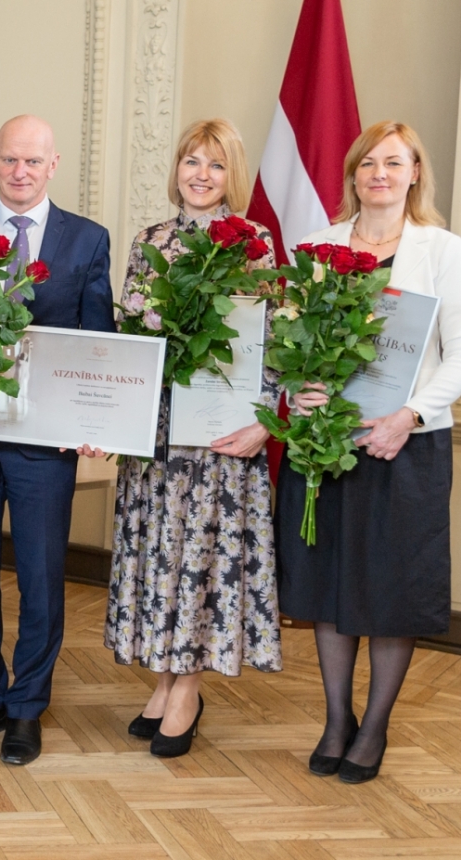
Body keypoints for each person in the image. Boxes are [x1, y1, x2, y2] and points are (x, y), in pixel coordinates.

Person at [282, 121, 461, 784]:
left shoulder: (443, 250)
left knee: (393, 589)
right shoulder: (316, 248)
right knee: (330, 584)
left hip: (407, 446)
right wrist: (299, 390)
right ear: (353, 174)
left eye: (394, 163)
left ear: (415, 172)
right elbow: (287, 349)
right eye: (369, 163)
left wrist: (410, 414)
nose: (380, 174)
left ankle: (374, 728)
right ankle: (337, 718)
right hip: (328, 443)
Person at [104, 119, 282, 758]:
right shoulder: (150, 240)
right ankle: (165, 678)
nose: (201, 175)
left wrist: (267, 421)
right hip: (157, 432)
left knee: (204, 557)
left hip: (220, 435)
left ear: (231, 174)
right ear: (176, 168)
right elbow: (130, 337)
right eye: (191, 162)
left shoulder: (254, 242)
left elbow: (274, 347)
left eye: (214, 164)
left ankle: (188, 687)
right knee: (163, 554)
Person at [0, 115, 115, 766]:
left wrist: (97, 420)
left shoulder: (86, 239)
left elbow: (98, 337)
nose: (21, 172)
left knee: (43, 578)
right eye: (10, 160)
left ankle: (26, 708)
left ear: (54, 165)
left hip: (48, 443)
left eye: (33, 162)